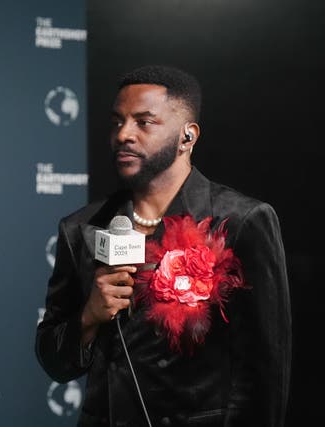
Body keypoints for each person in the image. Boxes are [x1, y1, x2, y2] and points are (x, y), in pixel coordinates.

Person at [35, 65, 291, 427]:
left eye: (143, 122)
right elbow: (53, 361)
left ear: (187, 137)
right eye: (117, 121)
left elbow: (264, 375)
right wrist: (89, 316)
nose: (124, 134)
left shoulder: (241, 222)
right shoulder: (82, 228)